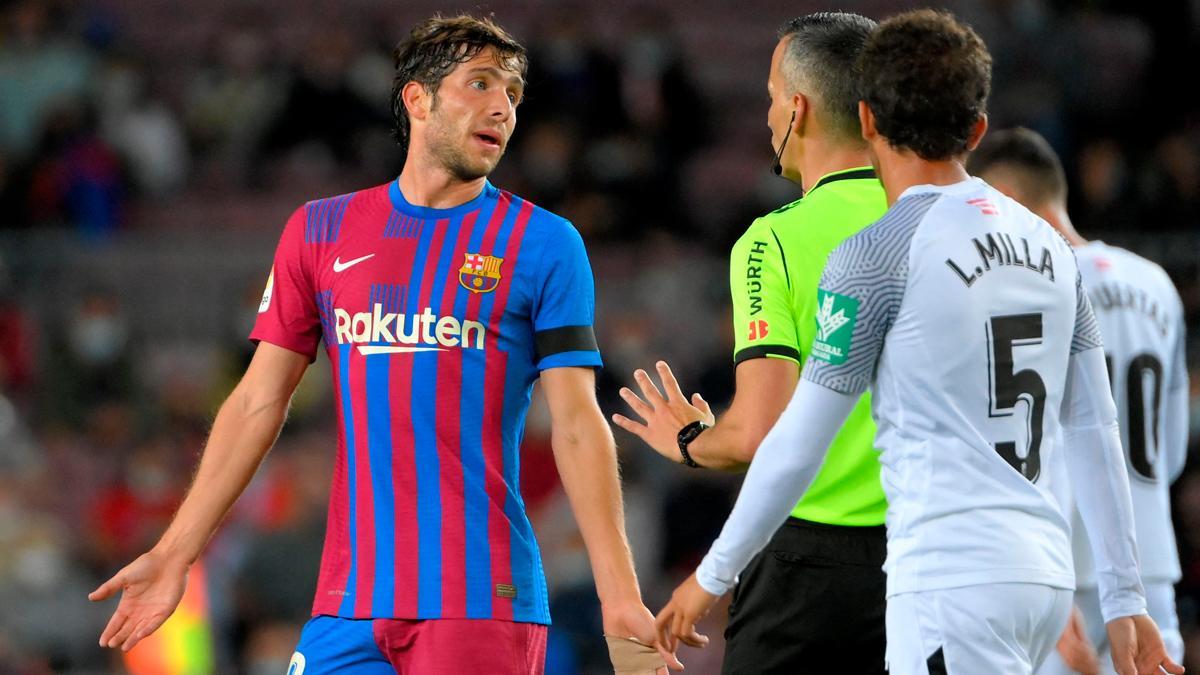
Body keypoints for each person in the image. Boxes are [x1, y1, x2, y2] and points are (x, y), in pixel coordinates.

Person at [87, 15, 677, 675]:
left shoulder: (545, 243)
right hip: (348, 604)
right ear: (416, 99)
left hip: (482, 600)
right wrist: (175, 551)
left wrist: (620, 593)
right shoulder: (320, 230)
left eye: (512, 92)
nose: (501, 107)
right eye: (480, 83)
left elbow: (575, 422)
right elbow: (256, 401)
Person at [653, 10, 1183, 675]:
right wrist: (1123, 594)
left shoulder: (877, 253)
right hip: (1042, 579)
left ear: (868, 120)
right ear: (979, 129)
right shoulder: (1047, 245)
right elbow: (1093, 424)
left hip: (949, 580)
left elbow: (795, 442)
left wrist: (711, 575)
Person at [611, 12, 890, 674]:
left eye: (770, 96)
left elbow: (758, 434)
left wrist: (689, 439)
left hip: (812, 567)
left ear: (798, 108)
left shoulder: (774, 241)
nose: (767, 115)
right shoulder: (935, 220)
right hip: (937, 558)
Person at [968, 127, 1189, 675]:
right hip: (1150, 570)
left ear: (1009, 201)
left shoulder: (1026, 288)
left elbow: (1015, 442)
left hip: (1057, 568)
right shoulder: (1156, 283)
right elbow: (1174, 445)